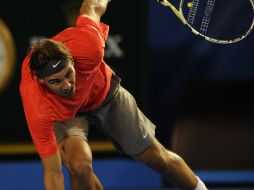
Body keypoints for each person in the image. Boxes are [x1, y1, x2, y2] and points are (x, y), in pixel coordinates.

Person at [19, 0, 208, 189]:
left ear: (72, 59)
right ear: (42, 81)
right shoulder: (37, 104)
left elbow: (92, 6)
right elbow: (53, 173)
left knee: (157, 157)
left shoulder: (88, 47)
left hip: (104, 94)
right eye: (56, 81)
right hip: (66, 113)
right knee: (79, 165)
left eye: (69, 74)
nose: (67, 85)